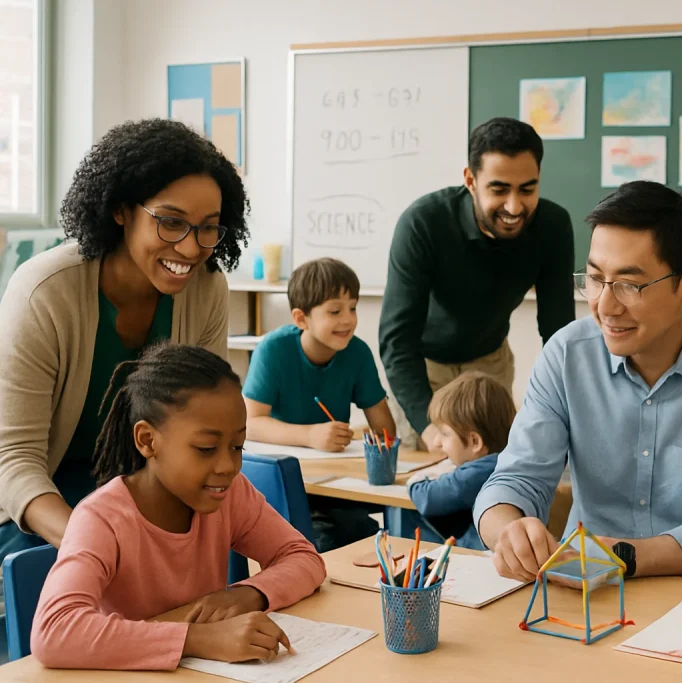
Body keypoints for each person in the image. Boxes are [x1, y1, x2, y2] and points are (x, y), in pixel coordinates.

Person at [473, 181, 682, 583]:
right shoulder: (567, 355)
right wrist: (508, 531)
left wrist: (615, 557)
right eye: (594, 279)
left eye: (629, 285)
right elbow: (516, 478)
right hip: (581, 593)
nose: (605, 305)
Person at [0, 119, 248, 568]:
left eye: (208, 228)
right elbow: (13, 461)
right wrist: (89, 541)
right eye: (171, 222)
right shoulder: (44, 292)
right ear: (120, 210)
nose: (192, 249)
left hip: (141, 497)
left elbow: (209, 423)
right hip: (38, 508)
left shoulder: (207, 290)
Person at [31, 344, 327, 670]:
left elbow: (303, 557)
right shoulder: (101, 520)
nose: (228, 466)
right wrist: (199, 639)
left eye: (237, 446)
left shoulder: (230, 494)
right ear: (147, 440)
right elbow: (54, 630)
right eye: (206, 448)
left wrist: (249, 593)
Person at [379, 117, 575, 451]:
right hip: (424, 368)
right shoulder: (423, 223)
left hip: (490, 363)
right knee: (424, 476)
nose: (514, 207)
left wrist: (563, 413)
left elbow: (558, 333)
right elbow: (397, 340)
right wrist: (429, 429)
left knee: (494, 467)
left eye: (527, 189)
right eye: (499, 190)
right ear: (470, 180)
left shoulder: (553, 226)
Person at [243, 257, 396, 551]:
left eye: (353, 308)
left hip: (334, 483)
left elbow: (384, 430)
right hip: (281, 483)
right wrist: (310, 436)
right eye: (335, 311)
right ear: (301, 319)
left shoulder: (358, 354)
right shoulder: (273, 350)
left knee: (363, 533)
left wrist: (361, 434)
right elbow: (250, 423)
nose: (348, 319)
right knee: (323, 537)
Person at [402, 371, 517, 550]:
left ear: (475, 442)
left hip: (479, 561)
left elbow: (426, 496)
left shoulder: (479, 472)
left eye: (445, 434)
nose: (436, 442)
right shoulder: (505, 460)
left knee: (405, 514)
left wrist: (416, 479)